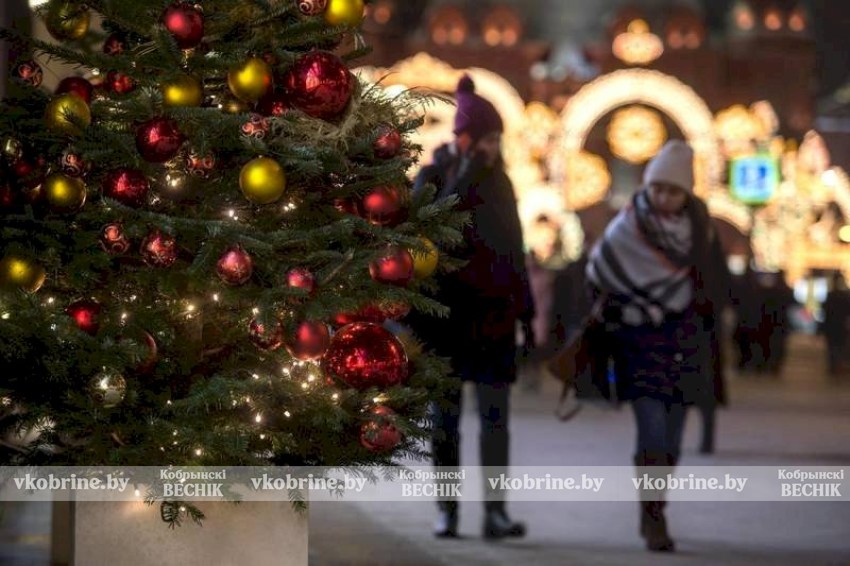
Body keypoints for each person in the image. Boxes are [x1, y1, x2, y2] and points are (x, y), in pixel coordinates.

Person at [586, 140, 730, 552]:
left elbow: (716, 285)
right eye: (658, 188)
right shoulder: (626, 226)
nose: (664, 197)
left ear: (686, 193)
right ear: (647, 186)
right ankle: (653, 518)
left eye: (673, 190)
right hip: (638, 342)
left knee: (672, 441)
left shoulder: (700, 228)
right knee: (651, 434)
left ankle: (657, 503)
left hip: (685, 345)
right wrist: (626, 307)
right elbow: (597, 273)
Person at [411, 75, 534, 540]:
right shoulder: (434, 176)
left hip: (495, 319)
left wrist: (529, 310)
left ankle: (495, 512)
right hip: (444, 318)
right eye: (487, 138)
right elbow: (427, 233)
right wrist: (462, 178)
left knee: (495, 420)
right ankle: (447, 509)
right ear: (464, 138)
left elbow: (515, 249)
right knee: (444, 423)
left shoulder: (501, 181)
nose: (494, 147)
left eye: (497, 139)